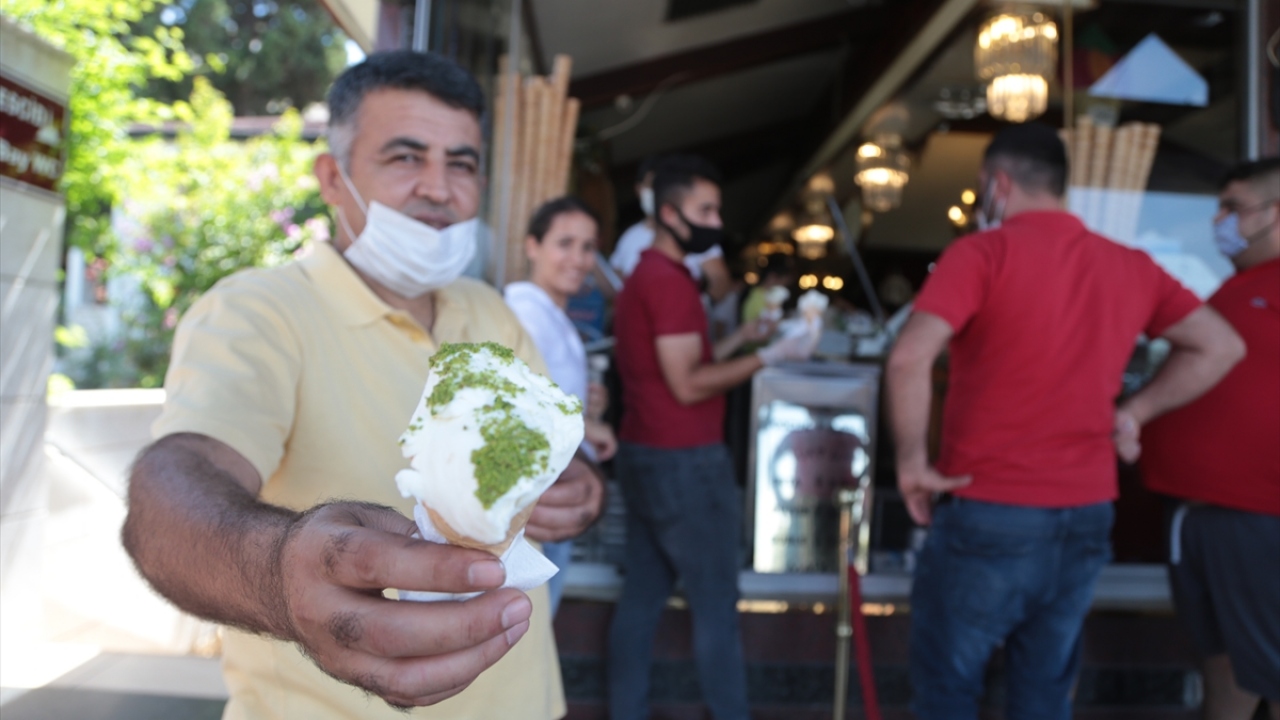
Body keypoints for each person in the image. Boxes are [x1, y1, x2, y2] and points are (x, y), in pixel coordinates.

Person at [121, 51, 605, 719]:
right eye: (406, 157)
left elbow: (555, 457)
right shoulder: (258, 313)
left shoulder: (491, 311)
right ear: (332, 178)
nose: (439, 188)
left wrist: (580, 487)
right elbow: (171, 495)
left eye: (461, 164)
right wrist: (281, 569)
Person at [885, 123, 1245, 720]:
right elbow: (1221, 345)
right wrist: (1135, 412)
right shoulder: (1128, 264)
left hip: (990, 503)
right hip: (1085, 510)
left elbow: (908, 357)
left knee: (947, 694)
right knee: (1045, 697)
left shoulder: (981, 253)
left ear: (998, 184)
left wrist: (910, 464)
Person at [607, 154, 816, 720]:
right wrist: (771, 355)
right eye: (705, 211)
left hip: (644, 451)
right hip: (685, 462)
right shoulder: (669, 283)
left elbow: (684, 362)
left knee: (642, 599)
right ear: (669, 214)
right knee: (716, 607)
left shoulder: (648, 275)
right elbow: (688, 383)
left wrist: (745, 336)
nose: (717, 223)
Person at [1141, 158, 1280, 720]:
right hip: (1201, 517)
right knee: (1223, 663)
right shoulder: (1235, 288)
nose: (1221, 220)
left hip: (1260, 515)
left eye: (1234, 208)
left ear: (1274, 214)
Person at [505, 196, 619, 616]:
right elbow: (513, 406)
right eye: (565, 243)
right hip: (536, 498)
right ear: (532, 246)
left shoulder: (551, 314)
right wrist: (587, 426)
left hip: (555, 489)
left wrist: (587, 408)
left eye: (588, 247)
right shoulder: (524, 315)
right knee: (526, 618)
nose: (578, 259)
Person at [609, 155, 733, 301]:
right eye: (652, 185)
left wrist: (702, 303)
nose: (717, 223)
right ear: (638, 189)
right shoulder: (629, 238)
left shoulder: (696, 234)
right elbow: (615, 284)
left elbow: (720, 279)